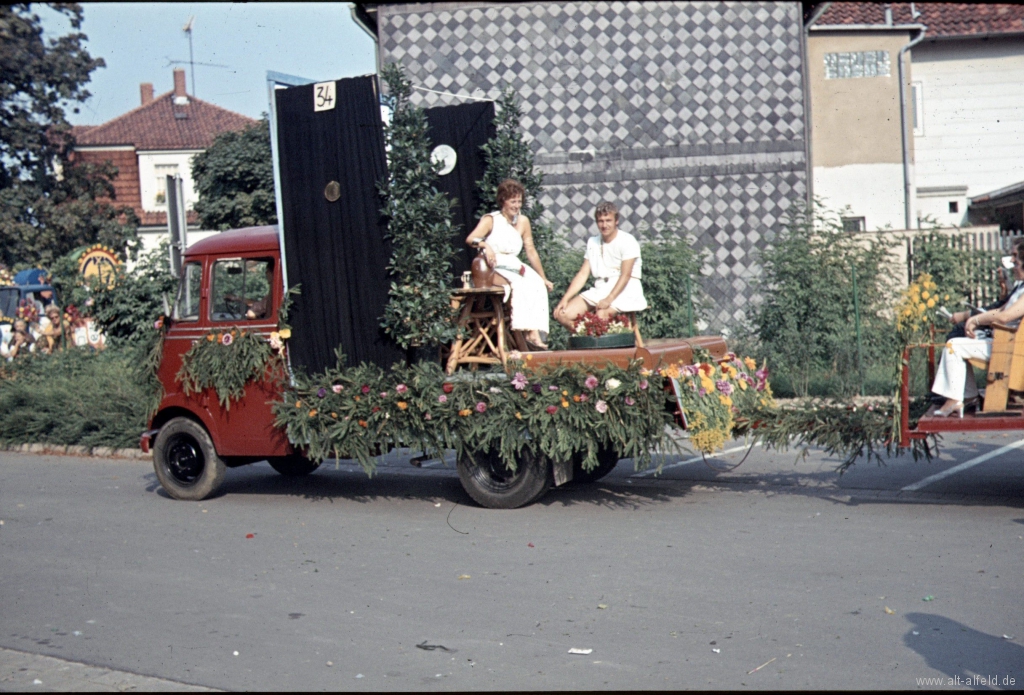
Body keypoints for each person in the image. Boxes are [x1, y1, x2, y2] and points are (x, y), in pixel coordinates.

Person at [932, 239, 1024, 416]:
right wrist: (977, 318)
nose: (1012, 264)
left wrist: (976, 320)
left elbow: (1005, 317)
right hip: (1003, 342)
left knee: (954, 346)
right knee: (957, 343)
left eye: (1016, 260)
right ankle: (967, 397)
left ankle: (956, 399)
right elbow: (1000, 310)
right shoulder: (1021, 288)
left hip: (1007, 347)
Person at [465, 178, 553, 349]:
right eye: (513, 201)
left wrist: (543, 277)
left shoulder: (523, 221)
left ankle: (535, 333)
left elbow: (531, 250)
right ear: (503, 201)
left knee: (536, 284)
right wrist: (485, 245)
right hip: (494, 265)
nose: (517, 205)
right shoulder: (491, 219)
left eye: (519, 201)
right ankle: (527, 330)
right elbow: (470, 239)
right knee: (520, 284)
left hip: (514, 263)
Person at [554, 201, 647, 329]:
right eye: (600, 221)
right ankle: (586, 334)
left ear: (616, 221)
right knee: (562, 314)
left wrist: (609, 299)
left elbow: (626, 275)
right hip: (601, 288)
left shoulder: (628, 240)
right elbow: (582, 274)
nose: (604, 225)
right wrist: (565, 298)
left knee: (601, 314)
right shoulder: (593, 242)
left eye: (608, 220)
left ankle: (595, 337)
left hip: (626, 289)